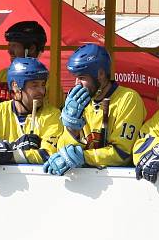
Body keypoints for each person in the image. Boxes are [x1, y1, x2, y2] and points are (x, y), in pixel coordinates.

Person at [44, 43, 146, 175]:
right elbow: (64, 152)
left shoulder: (129, 98)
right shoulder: (79, 101)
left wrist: (84, 157)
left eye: (81, 78)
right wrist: (71, 130)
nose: (76, 84)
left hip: (121, 183)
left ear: (101, 74)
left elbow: (122, 154)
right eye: (75, 78)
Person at [0, 57, 62, 175]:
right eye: (35, 85)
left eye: (43, 85)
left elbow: (49, 155)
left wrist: (10, 154)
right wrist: (15, 148)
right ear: (16, 89)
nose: (41, 91)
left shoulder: (53, 115)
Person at [0, 20, 47, 111]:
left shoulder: (48, 80)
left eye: (14, 45)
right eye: (9, 45)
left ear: (31, 49)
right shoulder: (3, 75)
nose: (9, 51)